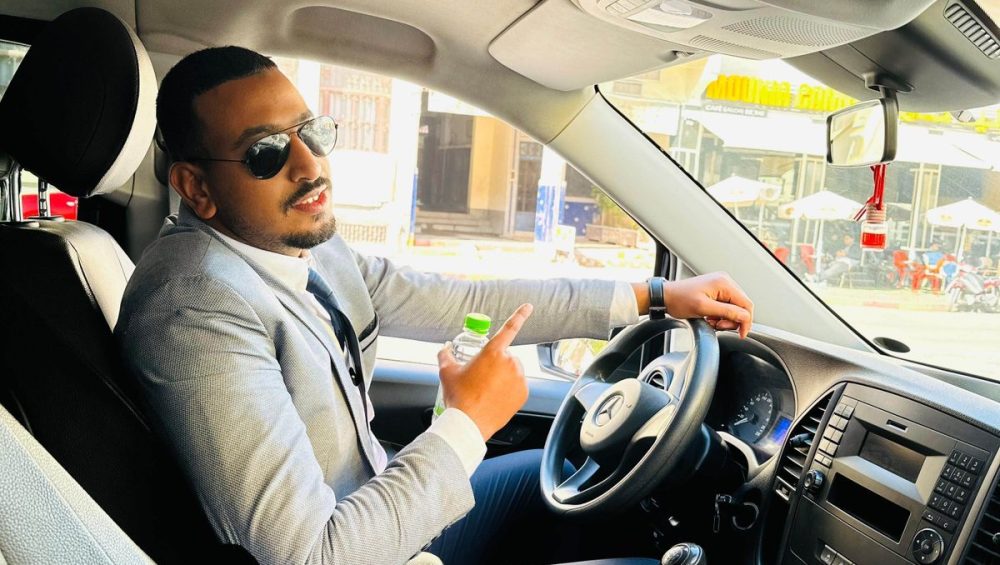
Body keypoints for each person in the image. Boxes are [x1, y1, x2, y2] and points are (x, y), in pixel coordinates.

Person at [116, 46, 754, 565]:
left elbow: (461, 298)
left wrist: (654, 297)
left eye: (311, 132)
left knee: (557, 477)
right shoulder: (191, 306)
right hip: (361, 547)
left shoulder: (302, 243)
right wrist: (468, 422)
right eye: (266, 153)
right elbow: (310, 556)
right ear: (196, 187)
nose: (310, 166)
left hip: (385, 511)